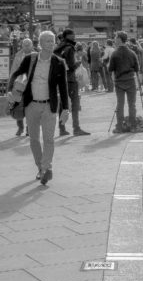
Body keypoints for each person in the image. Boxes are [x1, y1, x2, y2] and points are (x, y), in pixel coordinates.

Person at [9, 30, 69, 184]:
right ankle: (40, 167)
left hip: (49, 106)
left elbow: (63, 87)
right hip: (31, 105)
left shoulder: (59, 62)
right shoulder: (30, 59)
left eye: (53, 40)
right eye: (48, 41)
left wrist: (65, 109)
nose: (51, 43)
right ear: (40, 44)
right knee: (34, 139)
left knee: (49, 139)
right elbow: (16, 74)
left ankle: (46, 168)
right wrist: (11, 91)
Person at [55, 28, 90, 136]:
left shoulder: (58, 48)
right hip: (70, 79)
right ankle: (76, 128)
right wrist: (78, 63)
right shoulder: (70, 48)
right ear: (68, 36)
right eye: (73, 34)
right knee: (75, 104)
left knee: (63, 104)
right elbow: (71, 66)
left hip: (60, 79)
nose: (74, 36)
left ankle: (62, 128)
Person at [110, 31, 140, 132]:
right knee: (132, 104)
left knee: (120, 104)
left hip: (119, 82)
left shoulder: (114, 53)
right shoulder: (132, 53)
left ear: (119, 39)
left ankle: (119, 126)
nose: (114, 39)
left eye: (115, 37)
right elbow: (137, 68)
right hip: (131, 81)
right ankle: (133, 126)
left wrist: (114, 80)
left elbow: (111, 70)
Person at [10, 37, 34, 136]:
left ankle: (29, 129)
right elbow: (13, 71)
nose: (27, 46)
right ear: (22, 46)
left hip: (31, 85)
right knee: (18, 106)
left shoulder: (36, 55)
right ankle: (20, 128)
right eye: (25, 44)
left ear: (32, 45)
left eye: (28, 44)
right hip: (19, 85)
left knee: (30, 108)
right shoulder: (18, 56)